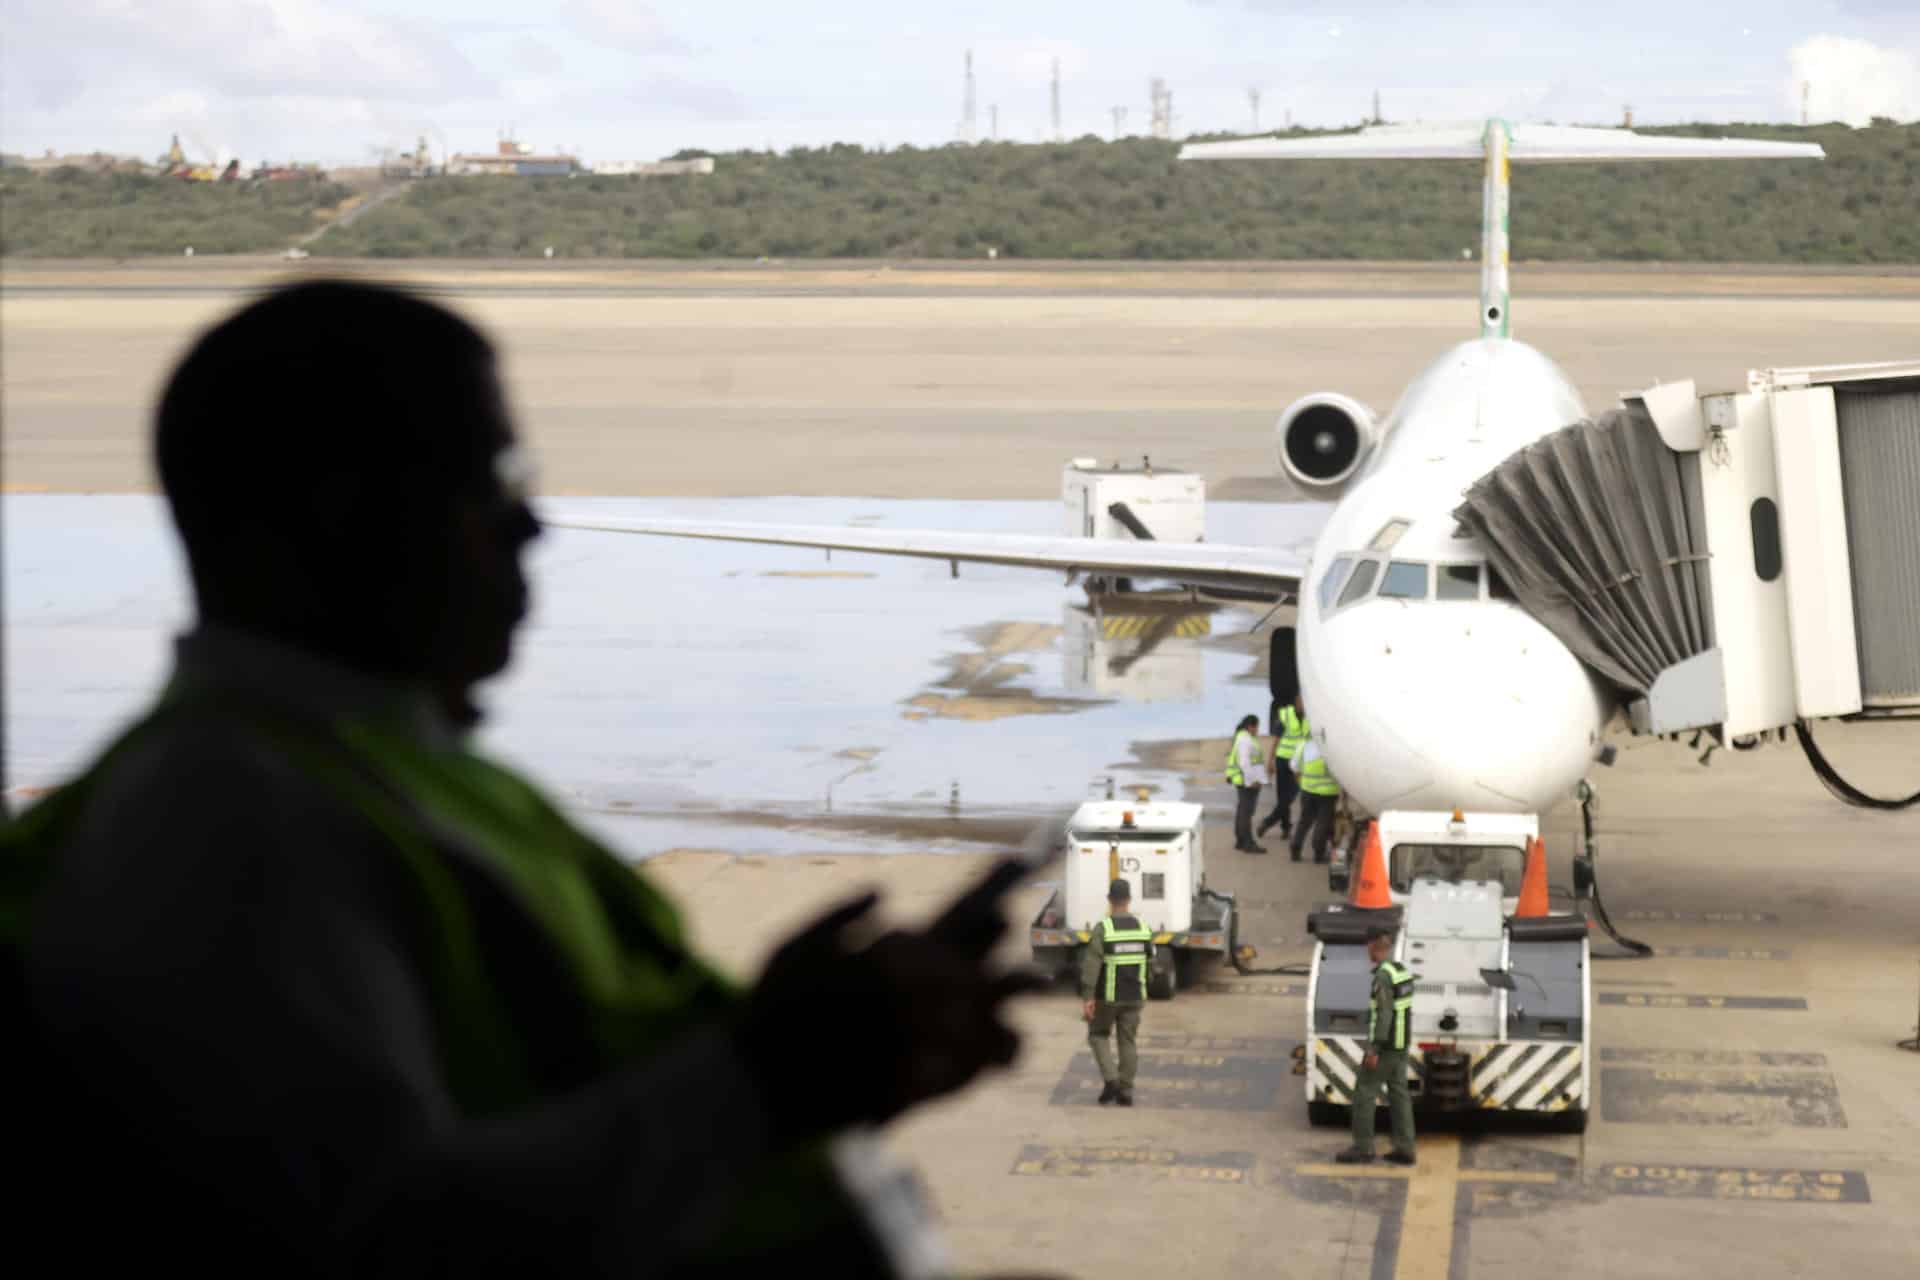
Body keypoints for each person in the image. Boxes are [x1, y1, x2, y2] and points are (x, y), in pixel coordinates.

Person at [5, 279, 1049, 1279]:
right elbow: (378, 1249)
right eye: (494, 481)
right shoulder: (225, 823)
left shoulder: (389, 776)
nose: (530, 527)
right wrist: (765, 1078)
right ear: (341, 515)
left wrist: (839, 1059)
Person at [1337, 926, 1417, 1166]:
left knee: (1364, 1092)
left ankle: (1363, 1147)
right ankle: (1405, 1148)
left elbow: (1383, 1016)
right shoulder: (1401, 971)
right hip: (1401, 1045)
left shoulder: (1382, 976)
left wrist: (1373, 1049)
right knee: (1399, 1096)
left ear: (1373, 945)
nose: (1366, 951)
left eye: (1367, 946)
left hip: (1386, 1047)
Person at [1080, 877, 1153, 1107]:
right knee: (1127, 1041)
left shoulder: (1104, 929)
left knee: (1097, 1035)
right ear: (1129, 899)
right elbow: (1150, 962)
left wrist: (1088, 996)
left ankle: (1111, 1079)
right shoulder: (1144, 928)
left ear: (1110, 900)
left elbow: (1092, 964)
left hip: (1108, 997)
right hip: (1135, 996)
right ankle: (1126, 1092)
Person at [1256, 695, 1309, 841]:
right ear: (1295, 702)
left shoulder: (1309, 717)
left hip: (1297, 761)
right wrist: (1270, 761)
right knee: (1285, 796)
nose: (1303, 704)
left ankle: (1279, 825)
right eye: (1300, 701)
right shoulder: (1286, 715)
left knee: (1288, 797)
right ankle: (1277, 825)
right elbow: (1276, 740)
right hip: (1282, 759)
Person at [1290, 734, 1340, 863]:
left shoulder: (1303, 744)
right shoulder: (1331, 748)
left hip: (1307, 790)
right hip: (1328, 793)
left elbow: (1294, 767)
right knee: (1322, 823)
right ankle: (1318, 854)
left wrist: (1301, 784)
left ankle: (1295, 848)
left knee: (1304, 821)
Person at [1225, 713, 1268, 853]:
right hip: (1246, 781)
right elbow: (1244, 762)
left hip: (1242, 779)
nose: (1258, 730)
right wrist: (1252, 781)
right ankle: (1248, 843)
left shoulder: (1242, 737)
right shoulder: (1245, 740)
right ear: (1251, 727)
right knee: (1246, 813)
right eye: (1257, 727)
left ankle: (1240, 840)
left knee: (1242, 811)